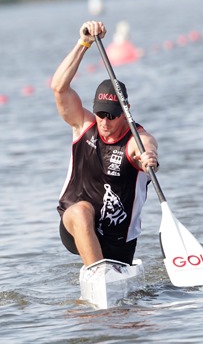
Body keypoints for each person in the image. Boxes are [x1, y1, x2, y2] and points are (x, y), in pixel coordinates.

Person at [51, 20, 159, 267]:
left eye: (112, 115)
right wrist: (84, 43)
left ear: (126, 111)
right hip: (75, 224)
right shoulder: (84, 125)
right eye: (100, 114)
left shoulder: (136, 139)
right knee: (81, 211)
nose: (105, 121)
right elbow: (59, 88)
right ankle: (98, 276)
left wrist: (148, 157)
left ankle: (105, 276)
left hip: (118, 242)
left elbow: (147, 145)